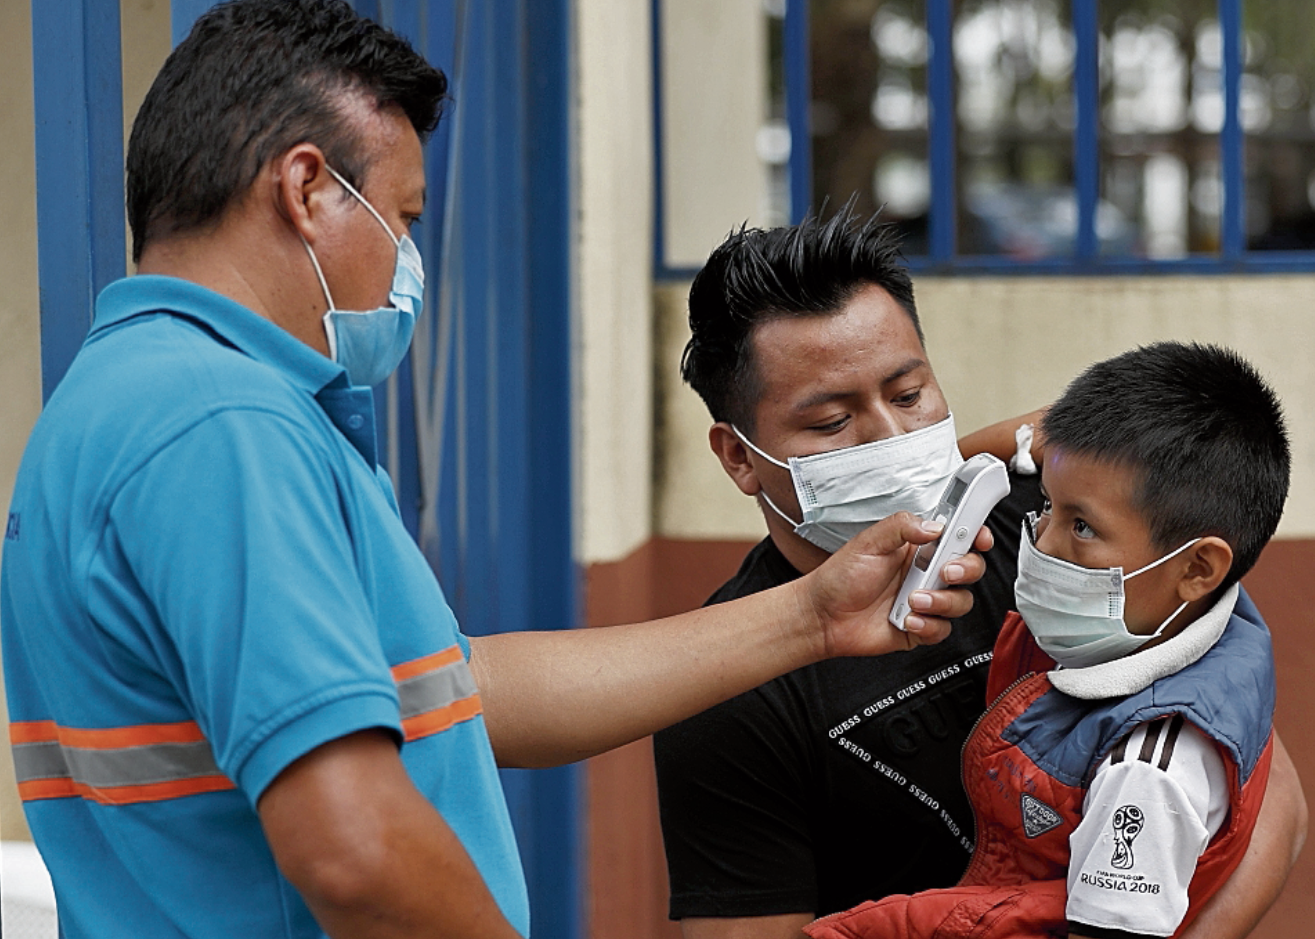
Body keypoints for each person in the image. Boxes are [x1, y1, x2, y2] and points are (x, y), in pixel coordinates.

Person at [0, 5, 989, 939]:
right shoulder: (218, 424)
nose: (404, 264)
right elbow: (355, 847)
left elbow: (455, 690)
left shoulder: (113, 407)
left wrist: (809, 616)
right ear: (305, 190)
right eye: (402, 217)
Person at [653, 210, 1307, 939]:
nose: (895, 438)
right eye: (833, 423)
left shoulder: (1056, 525)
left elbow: (1263, 784)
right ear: (739, 456)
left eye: (907, 394)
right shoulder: (725, 691)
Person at [805, 342, 1286, 939]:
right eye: (1047, 508)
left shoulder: (1146, 774)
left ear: (1198, 569)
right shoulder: (1183, 617)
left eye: (1081, 526)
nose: (1041, 545)